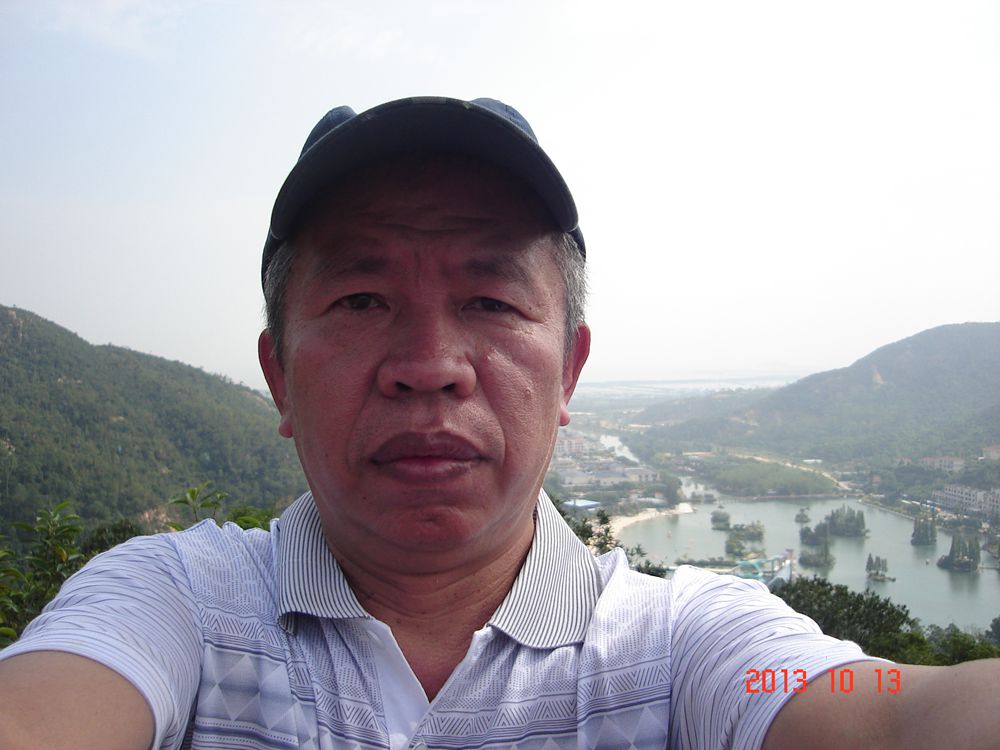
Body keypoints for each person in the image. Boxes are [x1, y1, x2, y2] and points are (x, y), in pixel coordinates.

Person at [0, 96, 996, 750]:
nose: (429, 365)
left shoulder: (681, 645)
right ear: (279, 378)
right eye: (360, 299)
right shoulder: (174, 602)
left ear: (568, 371)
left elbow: (890, 715)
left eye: (490, 301)